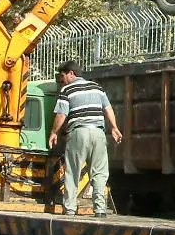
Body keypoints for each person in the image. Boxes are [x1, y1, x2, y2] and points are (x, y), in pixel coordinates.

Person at [47, 60, 122, 217]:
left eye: (63, 76)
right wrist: (114, 128)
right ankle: (100, 210)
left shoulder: (67, 90)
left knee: (73, 171)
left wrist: (54, 132)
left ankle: (70, 209)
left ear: (71, 73)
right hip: (98, 133)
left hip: (78, 133)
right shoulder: (97, 88)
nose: (62, 80)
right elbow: (108, 109)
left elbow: (61, 114)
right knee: (100, 172)